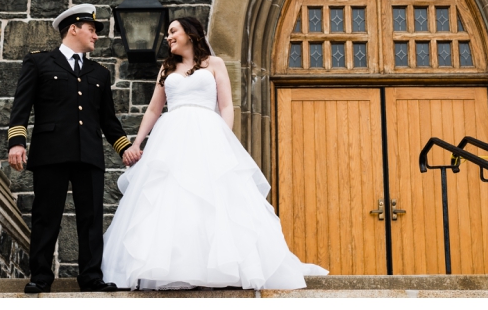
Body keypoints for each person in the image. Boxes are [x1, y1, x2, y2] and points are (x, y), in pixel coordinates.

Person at [101, 16, 328, 290]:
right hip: (171, 138)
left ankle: (221, 267)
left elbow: (226, 106)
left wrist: (224, 138)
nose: (168, 37)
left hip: (207, 133)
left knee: (215, 198)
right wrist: (137, 144)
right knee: (170, 197)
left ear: (190, 34)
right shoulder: (166, 68)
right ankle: (171, 266)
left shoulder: (215, 64)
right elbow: (153, 109)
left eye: (173, 31)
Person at [7, 3, 143, 294]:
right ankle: (41, 276)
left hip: (89, 153)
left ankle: (91, 276)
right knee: (46, 216)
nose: (96, 36)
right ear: (74, 29)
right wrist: (17, 141)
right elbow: (22, 106)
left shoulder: (99, 74)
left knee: (92, 217)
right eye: (92, 30)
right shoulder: (39, 63)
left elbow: (108, 119)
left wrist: (125, 149)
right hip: (51, 152)